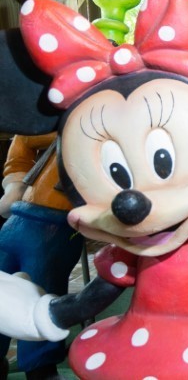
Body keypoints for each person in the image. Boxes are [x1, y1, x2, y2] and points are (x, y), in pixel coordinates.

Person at [0, 133, 84, 378]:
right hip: (18, 219)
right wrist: (15, 184)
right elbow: (23, 143)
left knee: (42, 294)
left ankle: (40, 366)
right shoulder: (54, 127)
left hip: (57, 225)